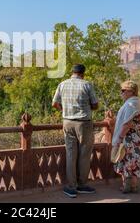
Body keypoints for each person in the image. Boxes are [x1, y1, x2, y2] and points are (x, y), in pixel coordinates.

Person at [52, 64, 99, 198]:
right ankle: (82, 184)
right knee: (84, 154)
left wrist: (65, 110)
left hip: (67, 121)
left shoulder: (63, 84)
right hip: (84, 123)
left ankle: (71, 187)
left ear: (72, 72)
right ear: (83, 73)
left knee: (71, 154)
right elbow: (95, 105)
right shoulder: (87, 85)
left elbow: (54, 103)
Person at [112, 81, 140, 193]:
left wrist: (120, 137)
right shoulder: (137, 101)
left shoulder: (131, 104)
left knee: (125, 159)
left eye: (123, 91)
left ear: (131, 91)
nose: (121, 93)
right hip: (137, 136)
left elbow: (127, 123)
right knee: (134, 161)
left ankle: (126, 186)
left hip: (129, 137)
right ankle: (134, 186)